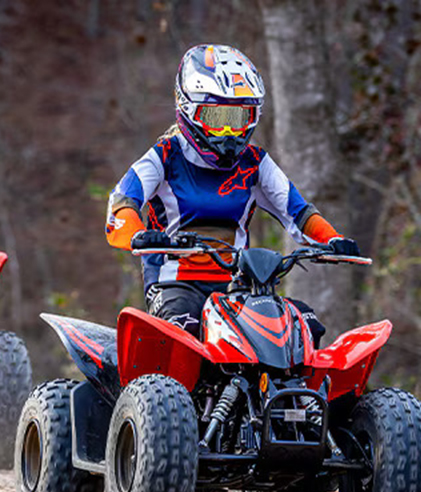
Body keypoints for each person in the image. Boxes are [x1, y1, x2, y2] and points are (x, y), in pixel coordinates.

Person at [105, 44, 359, 343]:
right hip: (174, 284)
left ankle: (305, 391)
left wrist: (332, 240)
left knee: (304, 326)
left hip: (239, 285)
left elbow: (298, 212)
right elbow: (121, 201)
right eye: (216, 119)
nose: (228, 133)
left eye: (237, 120)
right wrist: (139, 234)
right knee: (182, 331)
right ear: (189, 110)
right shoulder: (165, 156)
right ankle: (160, 391)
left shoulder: (256, 162)